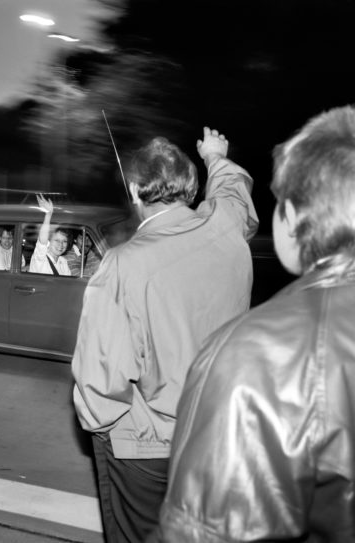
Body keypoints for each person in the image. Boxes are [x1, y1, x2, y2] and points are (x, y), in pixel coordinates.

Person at [150, 106, 355, 542]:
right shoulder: (223, 231)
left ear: (294, 217)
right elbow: (231, 207)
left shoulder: (256, 356)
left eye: (280, 202)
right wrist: (216, 161)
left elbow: (210, 530)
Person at [71, 126, 259, 542]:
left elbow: (100, 379)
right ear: (189, 188)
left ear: (136, 191)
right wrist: (216, 157)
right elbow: (233, 196)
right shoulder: (227, 227)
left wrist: (105, 428)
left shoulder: (124, 265)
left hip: (151, 447)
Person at [28, 194, 72, 275]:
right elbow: (42, 241)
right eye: (57, 240)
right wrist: (48, 214)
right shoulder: (40, 258)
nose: (61, 245)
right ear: (49, 241)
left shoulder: (63, 262)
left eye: (64, 241)